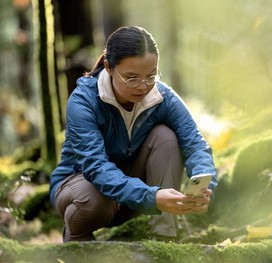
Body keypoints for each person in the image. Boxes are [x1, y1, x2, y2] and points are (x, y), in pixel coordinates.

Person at [49, 25, 217, 242]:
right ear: (109, 68)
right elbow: (96, 168)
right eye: (132, 77)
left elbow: (195, 144)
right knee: (95, 199)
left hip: (134, 194)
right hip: (80, 189)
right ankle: (77, 240)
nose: (143, 86)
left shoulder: (163, 98)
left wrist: (203, 187)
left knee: (166, 137)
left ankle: (164, 238)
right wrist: (151, 196)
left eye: (151, 76)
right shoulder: (83, 101)